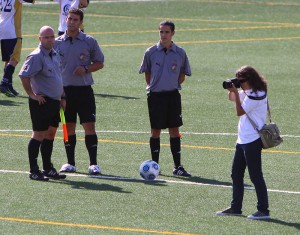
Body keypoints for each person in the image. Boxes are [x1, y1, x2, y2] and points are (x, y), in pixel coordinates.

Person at [216, 65, 270, 220]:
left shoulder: (257, 94)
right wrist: (233, 90)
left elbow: (239, 111)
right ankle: (236, 208)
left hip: (253, 140)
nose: (238, 82)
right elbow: (232, 98)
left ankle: (263, 210)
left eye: (241, 80)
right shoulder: (248, 91)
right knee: (236, 174)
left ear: (250, 80)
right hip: (242, 140)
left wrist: (236, 92)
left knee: (255, 175)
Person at [54, 8, 104, 175]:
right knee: (68, 128)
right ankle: (70, 163)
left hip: (84, 91)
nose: (72, 22)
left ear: (81, 22)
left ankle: (93, 164)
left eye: (75, 20)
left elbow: (99, 62)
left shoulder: (89, 41)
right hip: (65, 92)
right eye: (70, 19)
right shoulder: (57, 42)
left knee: (89, 126)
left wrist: (85, 68)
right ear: (65, 19)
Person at [139, 20, 192, 177]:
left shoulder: (180, 53)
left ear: (173, 33)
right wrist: (155, 86)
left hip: (172, 96)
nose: (163, 35)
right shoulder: (150, 52)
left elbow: (182, 75)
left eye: (166, 32)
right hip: (156, 96)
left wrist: (171, 84)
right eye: (161, 32)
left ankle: (178, 167)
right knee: (155, 130)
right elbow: (147, 74)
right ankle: (156, 166)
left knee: (174, 130)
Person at [19, 26, 66, 181]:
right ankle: (34, 170)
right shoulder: (35, 56)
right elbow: (24, 76)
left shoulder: (55, 53)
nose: (50, 39)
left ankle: (47, 168)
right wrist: (32, 95)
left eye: (52, 36)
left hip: (55, 102)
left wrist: (62, 97)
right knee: (39, 135)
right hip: (42, 102)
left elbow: (58, 77)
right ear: (40, 39)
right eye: (46, 37)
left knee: (51, 134)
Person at [0, 0, 35, 97]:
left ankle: (8, 85)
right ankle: (4, 83)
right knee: (14, 59)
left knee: (8, 59)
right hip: (12, 30)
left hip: (2, 28)